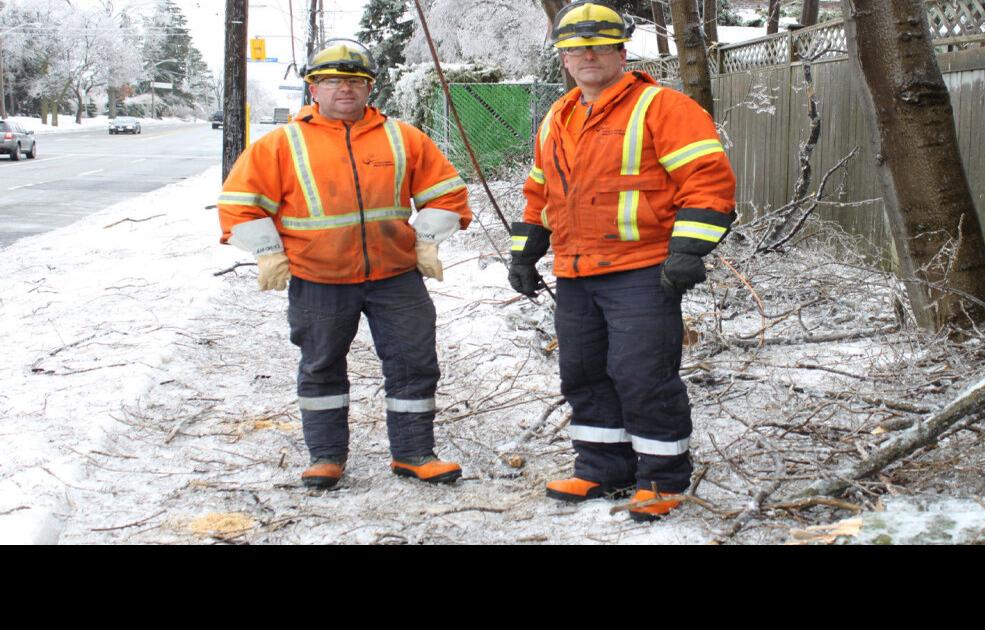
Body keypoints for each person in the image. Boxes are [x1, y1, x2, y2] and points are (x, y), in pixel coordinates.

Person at [509, 2, 736, 521]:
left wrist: (688, 250)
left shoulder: (663, 107)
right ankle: (601, 468)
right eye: (575, 48)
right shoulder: (558, 116)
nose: (586, 56)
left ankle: (661, 479)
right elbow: (540, 189)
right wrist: (526, 252)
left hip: (642, 269)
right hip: (575, 269)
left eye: (598, 45)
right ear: (563, 57)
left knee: (642, 375)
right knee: (584, 373)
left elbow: (708, 181)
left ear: (619, 51)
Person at [218, 39, 472, 490]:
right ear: (313, 88)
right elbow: (240, 203)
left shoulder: (402, 137)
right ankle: (326, 457)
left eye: (355, 81)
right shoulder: (281, 145)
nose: (345, 89)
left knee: (414, 362)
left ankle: (414, 454)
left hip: (395, 277)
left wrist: (427, 240)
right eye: (333, 81)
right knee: (321, 365)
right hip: (319, 278)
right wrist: (267, 251)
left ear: (370, 87)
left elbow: (446, 192)